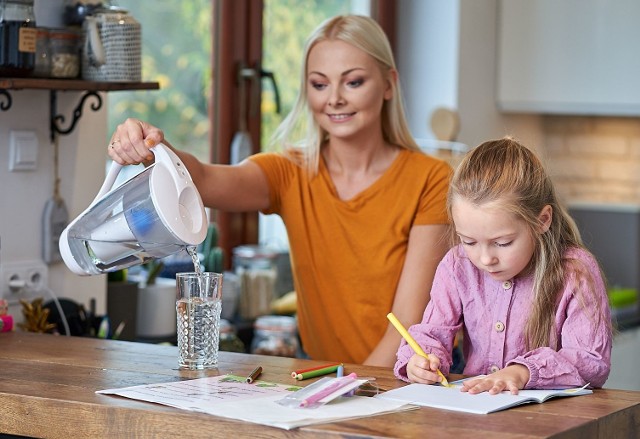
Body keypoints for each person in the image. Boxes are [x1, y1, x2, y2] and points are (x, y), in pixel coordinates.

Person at [108, 15, 452, 367]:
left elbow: (408, 324)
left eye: (354, 82)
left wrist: (353, 390)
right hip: (320, 380)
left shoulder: (432, 180)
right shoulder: (290, 172)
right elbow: (205, 180)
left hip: (401, 382)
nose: (334, 99)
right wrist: (154, 146)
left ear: (389, 84)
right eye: (319, 85)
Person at [394, 137, 612, 393]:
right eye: (469, 241)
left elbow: (592, 362)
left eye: (503, 242)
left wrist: (523, 372)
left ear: (542, 220)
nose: (485, 259)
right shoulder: (456, 265)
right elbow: (431, 333)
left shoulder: (575, 271)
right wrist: (421, 361)